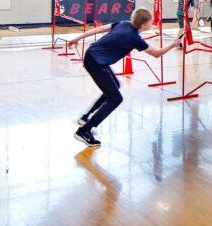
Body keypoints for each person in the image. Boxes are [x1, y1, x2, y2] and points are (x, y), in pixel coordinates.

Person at [70, 8, 182, 147]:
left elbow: (99, 30)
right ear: (143, 25)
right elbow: (156, 53)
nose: (152, 22)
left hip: (92, 55)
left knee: (114, 87)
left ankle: (85, 118)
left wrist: (77, 38)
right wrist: (173, 44)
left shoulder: (124, 23)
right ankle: (84, 131)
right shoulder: (135, 38)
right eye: (150, 21)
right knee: (115, 98)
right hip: (96, 63)